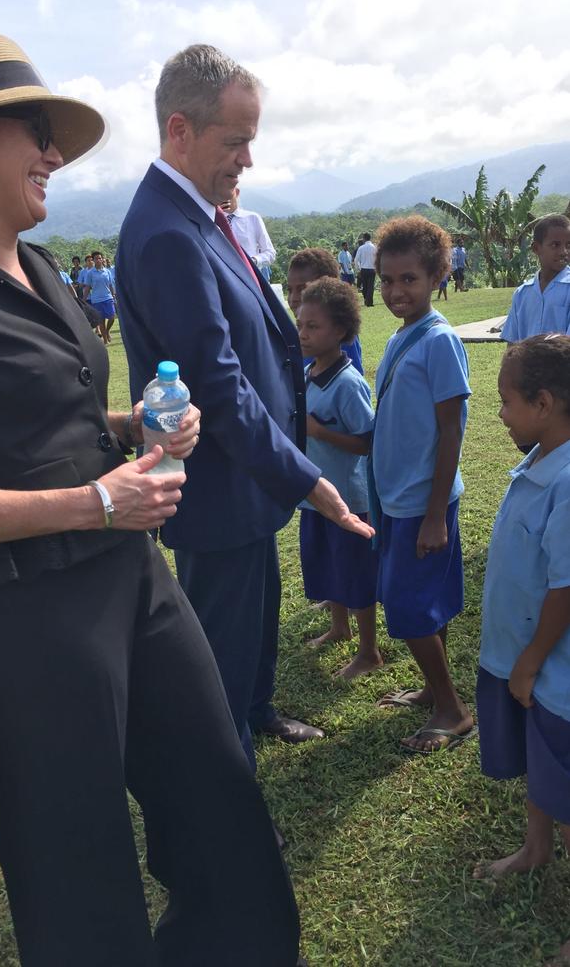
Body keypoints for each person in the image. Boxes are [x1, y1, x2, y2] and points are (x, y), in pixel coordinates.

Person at [0, 27, 303, 967]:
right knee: (75, 852)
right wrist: (95, 501)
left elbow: (52, 420)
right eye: (35, 132)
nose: (54, 154)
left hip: (127, 572)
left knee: (215, 792)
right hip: (25, 611)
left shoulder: (40, 268)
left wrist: (136, 427)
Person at [116, 43, 374, 772]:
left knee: (255, 628)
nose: (247, 161)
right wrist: (307, 477)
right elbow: (218, 383)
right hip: (223, 487)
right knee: (218, 661)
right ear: (179, 131)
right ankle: (229, 793)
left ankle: (257, 712)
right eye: (235, 142)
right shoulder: (168, 232)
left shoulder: (199, 214)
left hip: (248, 484)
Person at [372, 216, 474, 752]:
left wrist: (435, 513)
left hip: (421, 501)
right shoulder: (401, 334)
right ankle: (437, 692)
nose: (395, 291)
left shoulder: (440, 340)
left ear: (437, 276)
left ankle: (452, 709)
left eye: (409, 279)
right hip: (397, 496)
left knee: (408, 606)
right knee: (427, 600)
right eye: (387, 280)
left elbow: (451, 429)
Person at [474, 335, 570, 879]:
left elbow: (566, 587)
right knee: (540, 766)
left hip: (552, 672)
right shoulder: (542, 458)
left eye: (507, 402)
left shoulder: (568, 481)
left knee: (566, 790)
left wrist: (532, 659)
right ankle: (535, 850)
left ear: (543, 405)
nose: (501, 414)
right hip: (522, 660)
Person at [296, 277, 382, 680]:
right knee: (328, 565)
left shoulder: (348, 384)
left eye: (313, 326)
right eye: (301, 324)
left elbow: (367, 442)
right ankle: (339, 627)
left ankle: (369, 651)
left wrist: (321, 432)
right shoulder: (307, 372)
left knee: (355, 572)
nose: (304, 333)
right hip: (315, 495)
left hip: (349, 499)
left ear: (341, 332)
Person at [287, 247, 364, 374]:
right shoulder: (300, 332)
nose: (293, 299)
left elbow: (352, 376)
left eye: (302, 289)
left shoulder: (339, 333)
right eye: (289, 290)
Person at [500, 215, 570, 342]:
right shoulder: (522, 294)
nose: (564, 251)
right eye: (555, 245)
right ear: (536, 248)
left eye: (568, 245)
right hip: (526, 362)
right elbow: (512, 344)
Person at [221, 186, 276, 281]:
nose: (224, 196)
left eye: (228, 191)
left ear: (237, 192)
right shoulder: (212, 221)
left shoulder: (252, 218)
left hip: (251, 277)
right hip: (225, 279)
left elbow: (270, 253)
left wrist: (254, 261)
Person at [83, 249, 116, 344]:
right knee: (101, 321)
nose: (98, 260)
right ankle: (105, 340)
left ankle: (107, 331)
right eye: (96, 258)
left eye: (100, 258)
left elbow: (110, 285)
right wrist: (84, 300)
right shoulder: (90, 273)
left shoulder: (107, 271)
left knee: (112, 317)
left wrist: (113, 295)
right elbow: (88, 287)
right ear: (93, 260)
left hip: (108, 297)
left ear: (102, 259)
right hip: (96, 300)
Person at [354, 232, 377, 307]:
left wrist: (358, 269)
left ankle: (367, 300)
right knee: (370, 286)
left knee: (365, 286)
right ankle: (369, 302)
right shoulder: (374, 247)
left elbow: (356, 260)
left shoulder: (361, 248)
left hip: (363, 269)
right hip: (372, 269)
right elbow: (378, 259)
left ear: (364, 239)